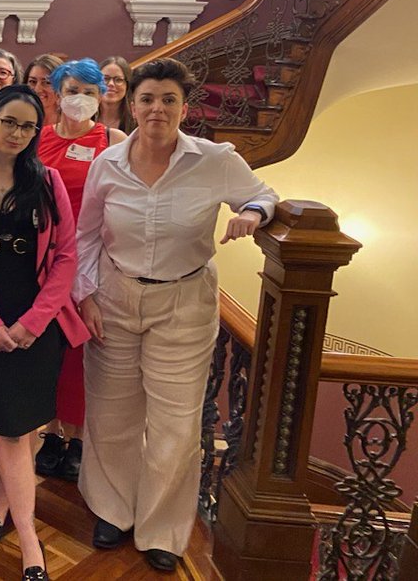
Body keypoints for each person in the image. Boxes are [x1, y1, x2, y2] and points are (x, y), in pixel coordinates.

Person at [74, 57, 278, 574]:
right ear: (131, 104)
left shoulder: (215, 160)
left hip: (184, 302)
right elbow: (87, 236)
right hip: (116, 297)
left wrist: (252, 214)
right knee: (112, 411)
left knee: (177, 422)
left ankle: (163, 529)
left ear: (184, 107)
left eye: (168, 99)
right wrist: (86, 296)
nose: (156, 109)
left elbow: (262, 194)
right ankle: (113, 511)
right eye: (147, 99)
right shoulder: (108, 163)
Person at [0, 84, 90, 580]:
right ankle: (31, 542)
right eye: (9, 121)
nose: (17, 133)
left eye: (28, 126)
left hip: (40, 323)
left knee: (24, 423)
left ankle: (5, 508)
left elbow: (66, 256)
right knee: (9, 425)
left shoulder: (47, 181)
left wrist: (34, 321)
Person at [33, 58, 127, 483]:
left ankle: (77, 439)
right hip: (44, 259)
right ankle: (50, 432)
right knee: (49, 351)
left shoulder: (114, 139)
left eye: (90, 92)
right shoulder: (38, 139)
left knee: (82, 351)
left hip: (93, 260)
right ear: (55, 92)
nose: (82, 100)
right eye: (73, 90)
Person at [98, 56, 136, 134]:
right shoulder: (84, 119)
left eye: (118, 80)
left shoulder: (137, 121)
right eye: (105, 79)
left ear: (127, 85)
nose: (111, 84)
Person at [24, 54, 64, 126]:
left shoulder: (72, 126)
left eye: (46, 82)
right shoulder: (17, 121)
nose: (37, 89)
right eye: (32, 81)